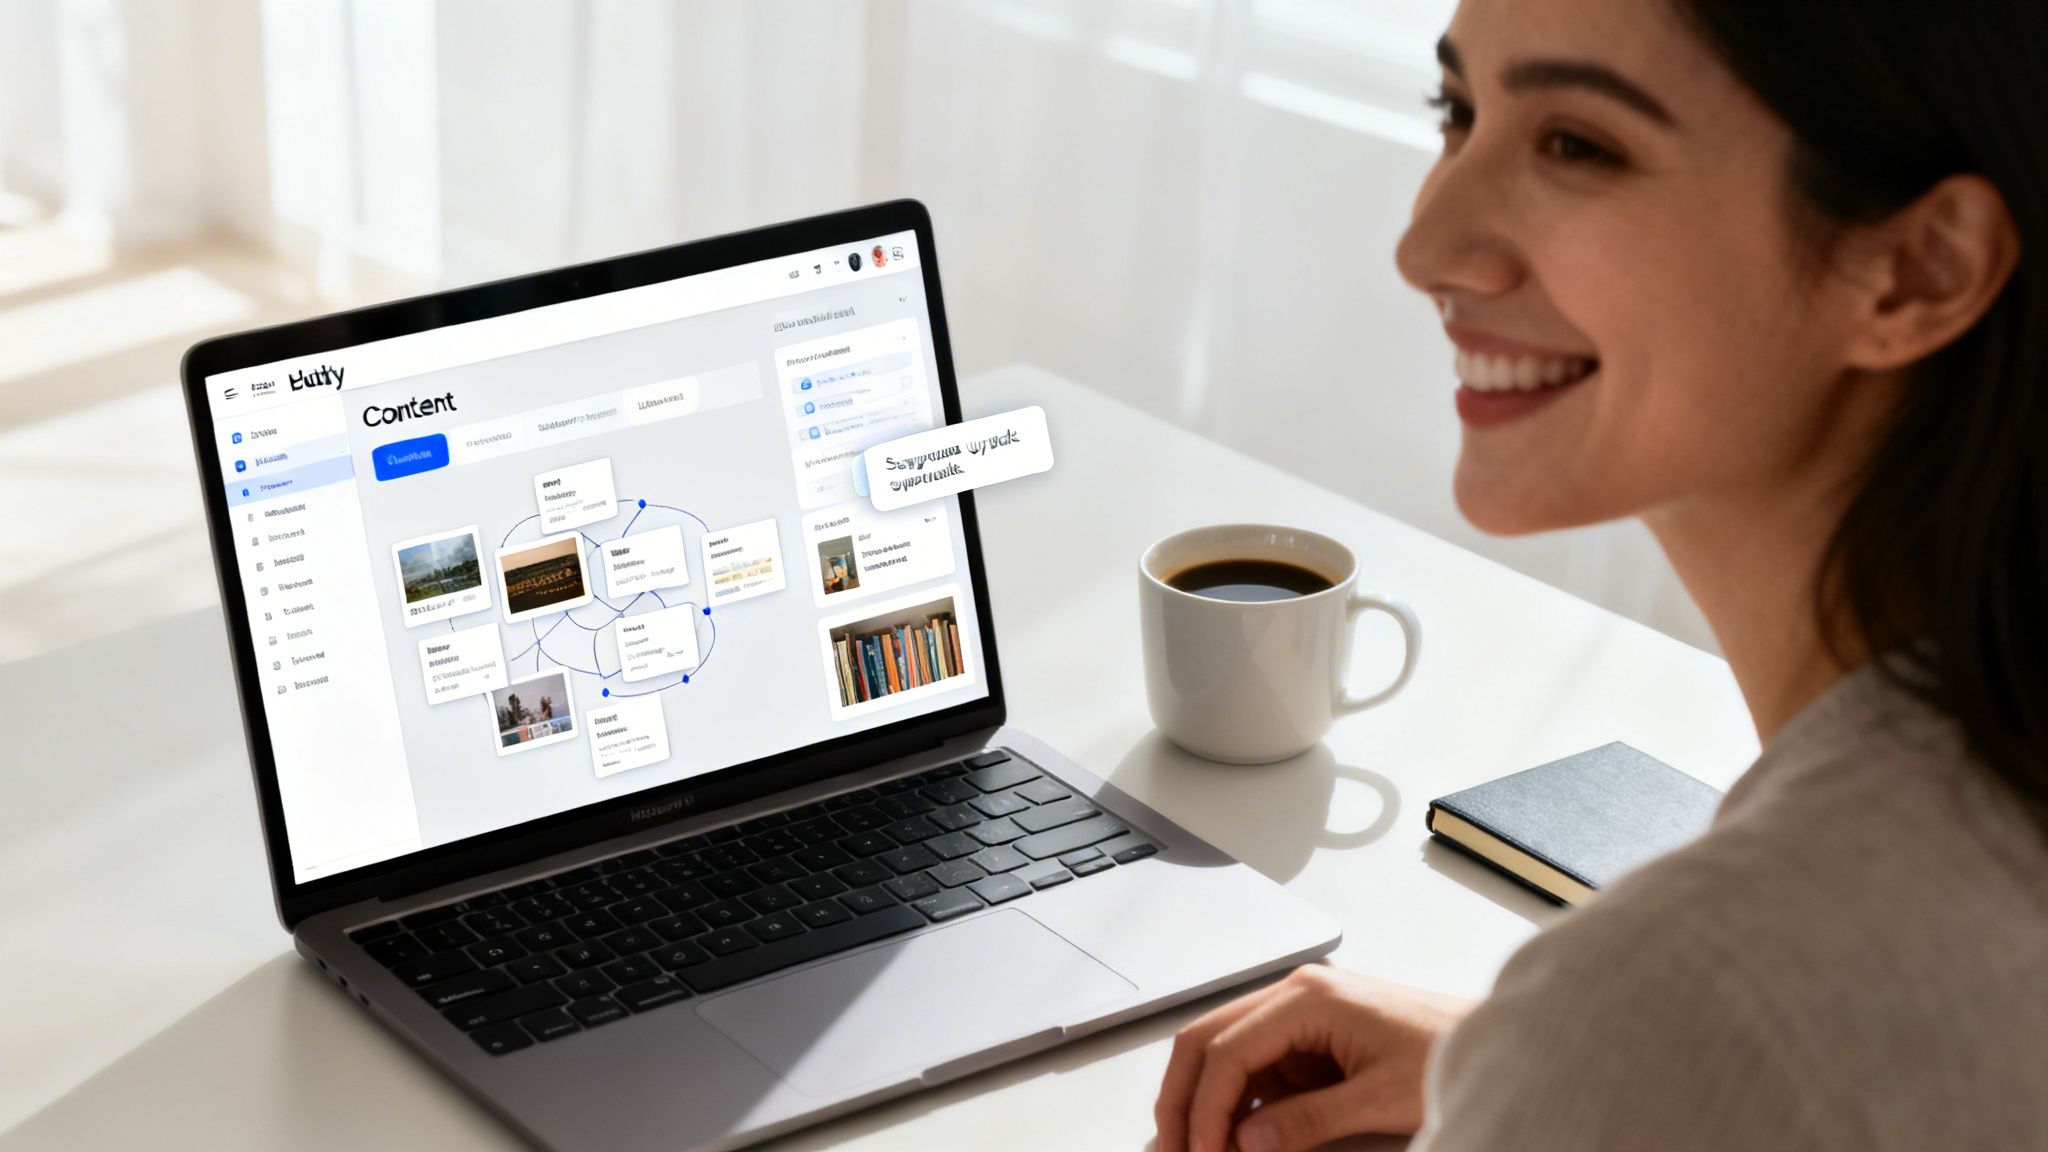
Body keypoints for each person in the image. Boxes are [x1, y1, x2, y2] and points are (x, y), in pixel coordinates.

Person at [1154, 0, 2048, 1148]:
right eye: (1457, 111)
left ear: (1913, 272)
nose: (1423, 248)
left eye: (1577, 145)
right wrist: (1528, 1071)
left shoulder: (1692, 1004)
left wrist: (1587, 1066)